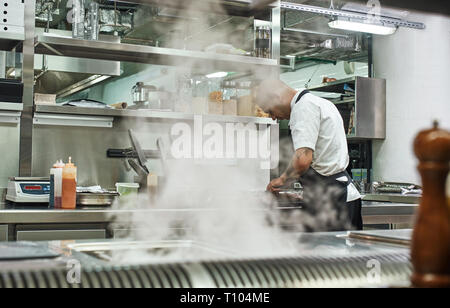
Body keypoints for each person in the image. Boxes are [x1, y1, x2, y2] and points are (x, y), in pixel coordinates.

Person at [255, 79, 362, 231]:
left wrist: (281, 180)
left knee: (328, 253)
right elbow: (323, 158)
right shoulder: (323, 103)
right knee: (344, 252)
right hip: (339, 194)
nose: (273, 117)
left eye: (270, 111)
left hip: (331, 201)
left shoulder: (303, 108)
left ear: (275, 97)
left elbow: (303, 159)